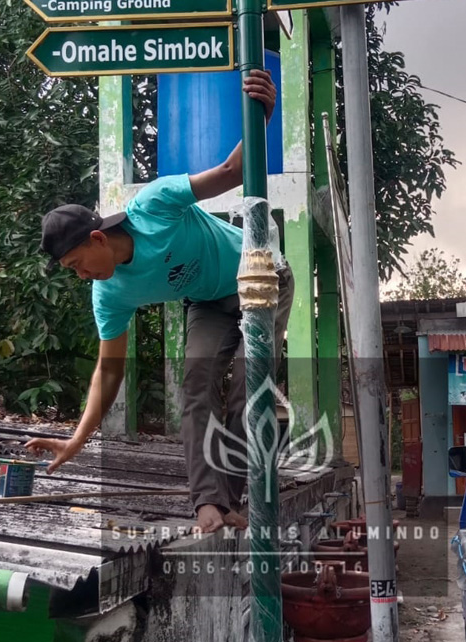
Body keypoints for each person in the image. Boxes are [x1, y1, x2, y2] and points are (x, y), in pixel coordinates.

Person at [25, 69, 293, 534]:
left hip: (263, 278)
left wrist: (262, 115)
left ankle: (237, 494)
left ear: (97, 238)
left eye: (77, 264)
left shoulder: (154, 205)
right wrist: (76, 440)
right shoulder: (109, 293)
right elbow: (108, 373)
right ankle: (209, 503)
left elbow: (229, 173)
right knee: (195, 384)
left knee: (246, 387)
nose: (81, 276)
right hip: (208, 301)